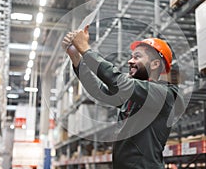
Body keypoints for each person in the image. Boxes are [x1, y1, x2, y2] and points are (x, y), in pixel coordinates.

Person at [62, 25, 180, 169]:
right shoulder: (132, 96)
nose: (130, 61)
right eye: (131, 57)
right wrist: (75, 56)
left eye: (137, 57)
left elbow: (119, 81)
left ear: (155, 64)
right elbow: (98, 91)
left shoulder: (164, 94)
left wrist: (85, 48)